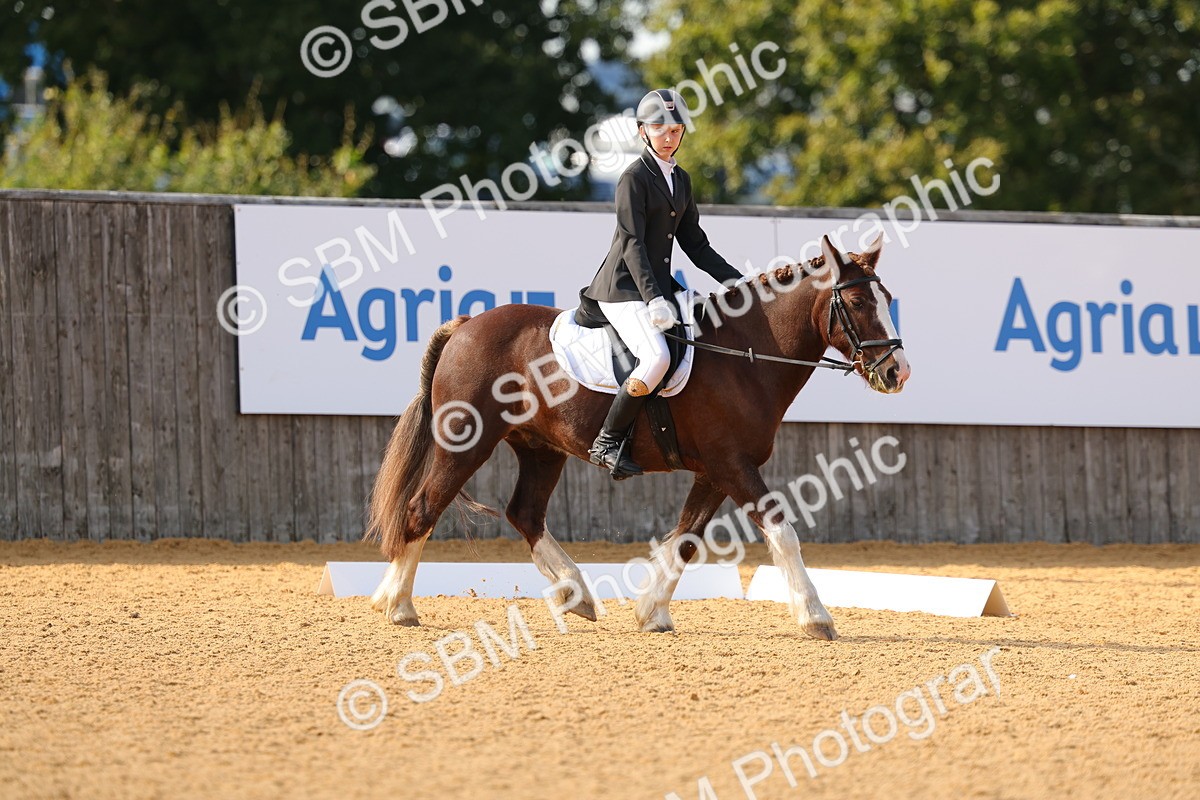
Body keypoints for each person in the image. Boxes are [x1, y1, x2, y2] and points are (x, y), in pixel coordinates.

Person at [580, 88, 745, 479]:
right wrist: (655, 298)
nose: (668, 136)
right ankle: (607, 440)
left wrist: (737, 280)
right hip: (623, 288)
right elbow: (632, 244)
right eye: (659, 128)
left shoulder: (681, 181)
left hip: (657, 287)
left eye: (675, 129)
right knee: (657, 358)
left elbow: (696, 245)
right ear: (642, 132)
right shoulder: (632, 178)